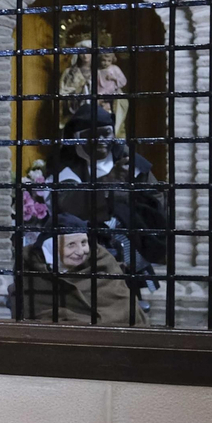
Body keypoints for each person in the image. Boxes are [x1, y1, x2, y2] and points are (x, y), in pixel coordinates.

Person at [50, 102, 168, 297]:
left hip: (129, 239)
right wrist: (107, 182)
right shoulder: (67, 165)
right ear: (78, 139)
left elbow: (154, 198)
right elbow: (65, 204)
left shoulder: (127, 158)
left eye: (106, 134)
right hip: (84, 241)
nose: (101, 141)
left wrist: (128, 207)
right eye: (93, 136)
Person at [18, 212, 148, 325]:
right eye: (71, 245)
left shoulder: (102, 262)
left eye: (83, 243)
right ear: (51, 248)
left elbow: (124, 307)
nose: (80, 252)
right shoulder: (31, 269)